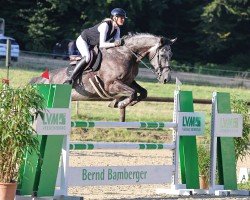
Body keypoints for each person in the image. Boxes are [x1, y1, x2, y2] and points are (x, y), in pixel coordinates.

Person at [64, 8, 126, 84]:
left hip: (93, 44)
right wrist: (115, 44)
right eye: (121, 18)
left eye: (123, 18)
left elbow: (117, 43)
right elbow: (103, 44)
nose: (123, 19)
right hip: (83, 40)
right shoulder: (105, 25)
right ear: (114, 17)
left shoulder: (117, 29)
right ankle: (70, 79)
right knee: (87, 57)